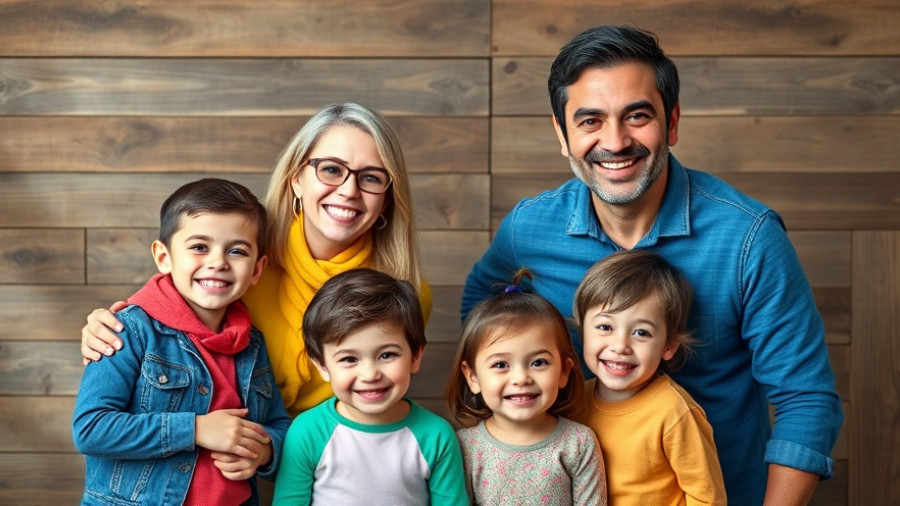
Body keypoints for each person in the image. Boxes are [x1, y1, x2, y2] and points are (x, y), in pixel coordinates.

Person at [461, 25, 842, 505]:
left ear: (673, 121)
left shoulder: (748, 238)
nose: (616, 142)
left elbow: (805, 400)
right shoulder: (528, 231)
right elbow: (484, 314)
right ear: (562, 134)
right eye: (590, 120)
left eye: (637, 116)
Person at [80, 102, 431, 417]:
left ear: (386, 199)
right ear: (297, 180)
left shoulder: (407, 292)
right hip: (222, 454)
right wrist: (108, 327)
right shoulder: (241, 256)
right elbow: (166, 321)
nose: (349, 190)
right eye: (331, 169)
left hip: (322, 460)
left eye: (371, 178)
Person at [71, 178, 291, 506]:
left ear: (258, 269)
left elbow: (279, 424)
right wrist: (196, 429)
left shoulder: (252, 344)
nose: (218, 262)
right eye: (200, 247)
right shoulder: (129, 330)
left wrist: (265, 450)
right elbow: (91, 427)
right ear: (164, 256)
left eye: (237, 250)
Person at [272, 268, 468, 505]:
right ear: (323, 366)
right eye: (349, 359)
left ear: (415, 356)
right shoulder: (307, 431)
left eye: (386, 355)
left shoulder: (437, 435)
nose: (370, 374)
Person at [572, 250, 725, 505]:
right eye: (605, 327)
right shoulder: (574, 400)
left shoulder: (674, 412)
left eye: (641, 332)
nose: (620, 345)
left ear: (668, 346)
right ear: (583, 333)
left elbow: (707, 498)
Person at [447, 270, 606, 505]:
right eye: (501, 364)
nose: (521, 378)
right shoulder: (465, 446)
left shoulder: (578, 443)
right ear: (473, 377)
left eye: (538, 362)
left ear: (564, 372)